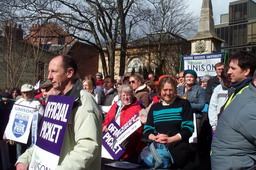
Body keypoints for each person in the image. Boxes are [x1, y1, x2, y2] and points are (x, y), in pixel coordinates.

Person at [16, 55, 102, 169]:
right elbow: (46, 140)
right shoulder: (58, 101)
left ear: (69, 72)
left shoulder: (83, 101)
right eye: (49, 71)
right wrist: (25, 158)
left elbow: (88, 146)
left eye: (54, 72)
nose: (49, 77)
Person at [144, 77, 194, 169]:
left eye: (170, 90)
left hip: (179, 151)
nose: (167, 93)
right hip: (158, 151)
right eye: (165, 90)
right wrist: (155, 138)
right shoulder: (155, 107)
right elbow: (147, 129)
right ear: (160, 90)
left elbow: (188, 128)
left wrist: (170, 139)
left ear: (175, 90)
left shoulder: (183, 104)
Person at [211, 70, 256, 169]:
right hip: (236, 164)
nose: (229, 72)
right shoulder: (250, 105)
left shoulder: (247, 93)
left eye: (233, 68)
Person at [102, 84, 144, 163]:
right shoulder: (115, 105)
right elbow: (107, 119)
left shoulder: (137, 108)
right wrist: (104, 126)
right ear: (120, 96)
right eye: (124, 95)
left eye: (128, 95)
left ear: (132, 95)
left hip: (127, 149)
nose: (126, 97)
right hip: (109, 144)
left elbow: (139, 130)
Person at [13, 84, 44, 158]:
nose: (26, 94)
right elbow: (12, 117)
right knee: (19, 153)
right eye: (24, 92)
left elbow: (40, 117)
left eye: (28, 92)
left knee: (30, 152)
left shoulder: (37, 104)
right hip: (20, 131)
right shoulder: (18, 102)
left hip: (31, 133)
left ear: (32, 92)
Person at [208, 67, 231, 133]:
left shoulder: (235, 89)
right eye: (225, 81)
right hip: (218, 123)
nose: (227, 84)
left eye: (229, 82)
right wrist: (213, 124)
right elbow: (213, 106)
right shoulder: (218, 89)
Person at [0, 92, 14, 170]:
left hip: (9, 127)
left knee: (11, 147)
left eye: (7, 101)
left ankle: (12, 163)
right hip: (1, 127)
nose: (5, 102)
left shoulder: (13, 104)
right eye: (3, 101)